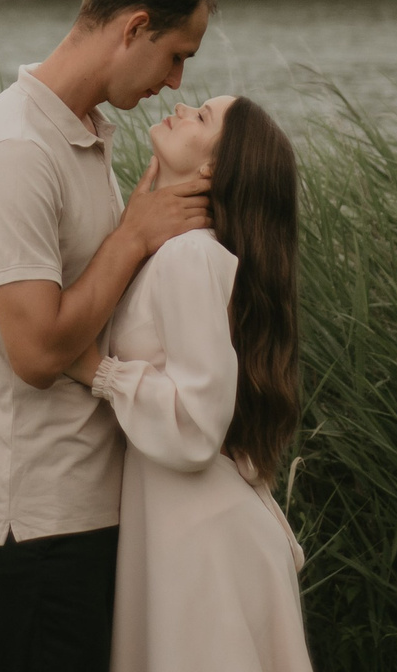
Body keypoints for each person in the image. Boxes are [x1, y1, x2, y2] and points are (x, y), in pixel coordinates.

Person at [0, 0, 218, 672]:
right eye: (175, 56)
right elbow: (34, 354)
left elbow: (89, 305)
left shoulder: (81, 134)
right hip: (39, 516)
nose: (175, 82)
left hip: (82, 506)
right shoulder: (18, 152)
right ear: (132, 28)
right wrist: (133, 236)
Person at [75, 94, 312, 672]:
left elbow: (197, 423)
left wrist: (96, 370)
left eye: (202, 116)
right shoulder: (178, 253)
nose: (181, 105)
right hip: (191, 535)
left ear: (213, 170)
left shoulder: (189, 257)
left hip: (206, 546)